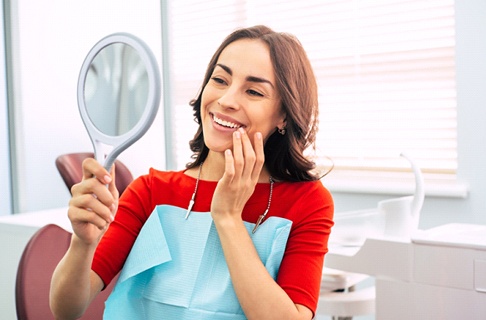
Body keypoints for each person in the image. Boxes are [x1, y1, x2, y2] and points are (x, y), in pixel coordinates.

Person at [50, 25, 334, 320]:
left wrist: (227, 217)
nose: (226, 100)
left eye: (253, 91)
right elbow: (66, 310)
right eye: (220, 80)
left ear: (284, 115)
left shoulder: (308, 202)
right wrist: (82, 244)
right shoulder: (150, 191)